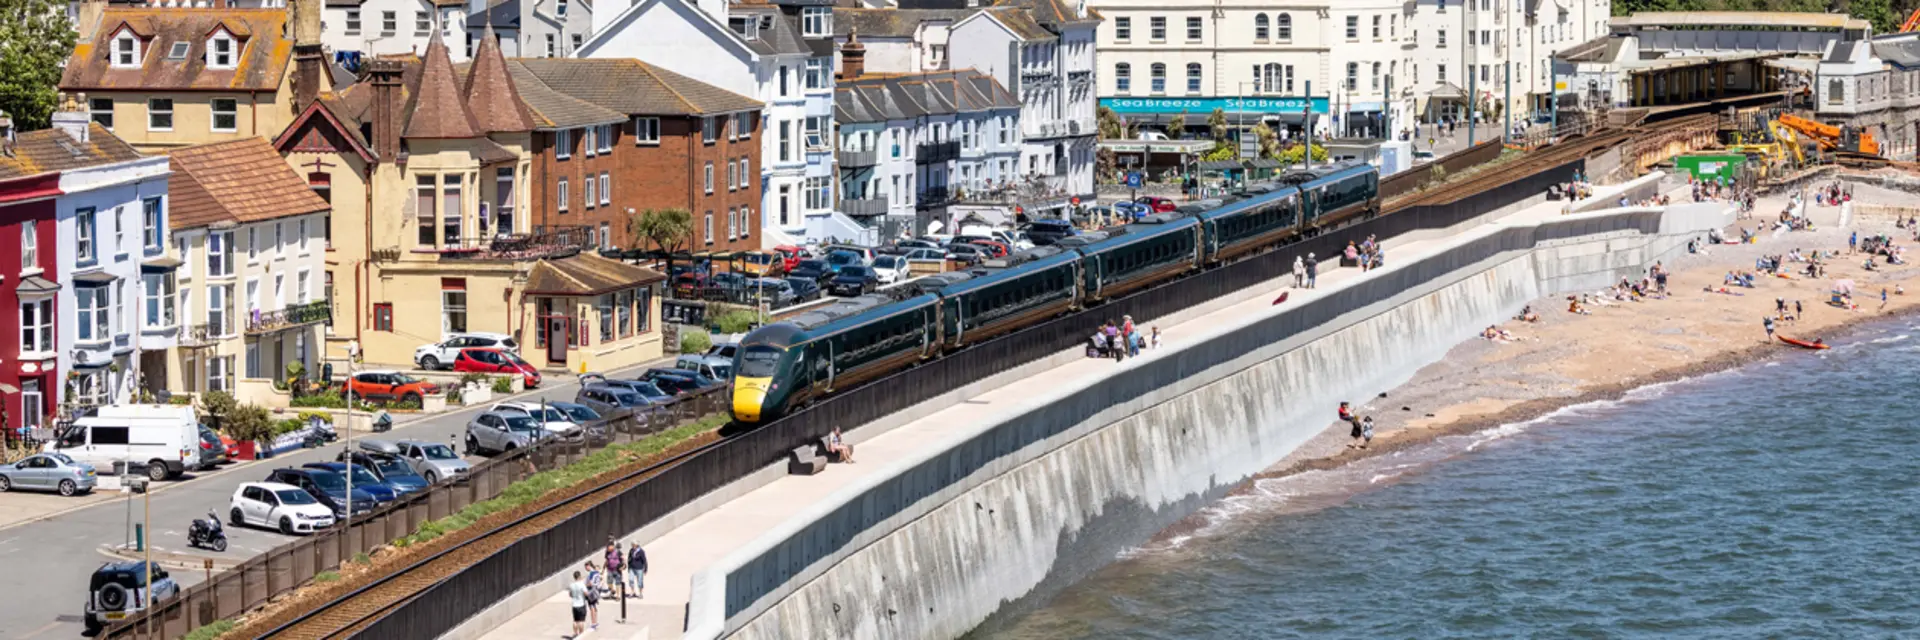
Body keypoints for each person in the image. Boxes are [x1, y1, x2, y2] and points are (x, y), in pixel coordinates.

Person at [568, 571, 589, 638]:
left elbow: (570, 594)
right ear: (579, 576)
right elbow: (586, 593)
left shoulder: (571, 585)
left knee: (575, 620)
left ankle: (575, 633)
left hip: (574, 605)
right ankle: (581, 634)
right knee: (581, 621)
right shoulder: (582, 584)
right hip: (581, 604)